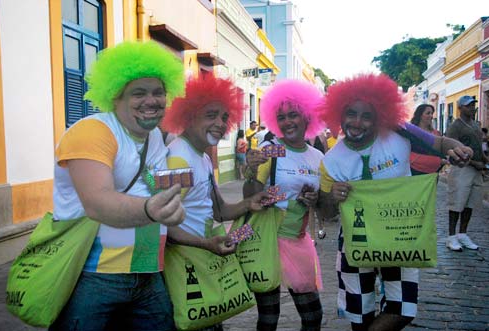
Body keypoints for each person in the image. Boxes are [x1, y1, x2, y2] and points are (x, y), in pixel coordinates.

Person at [318, 73, 473, 331]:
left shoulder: (399, 133)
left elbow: (441, 143)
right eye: (351, 114)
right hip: (356, 242)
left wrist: (458, 149)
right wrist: (331, 197)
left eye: (366, 115)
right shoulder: (331, 161)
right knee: (360, 315)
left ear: (378, 115)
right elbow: (324, 212)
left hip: (401, 235)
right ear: (339, 114)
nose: (357, 122)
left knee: (402, 309)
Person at [50, 41, 186, 331]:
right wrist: (152, 208)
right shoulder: (92, 131)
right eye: (139, 93)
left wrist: (198, 235)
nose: (152, 100)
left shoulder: (155, 140)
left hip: (149, 273)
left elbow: (154, 192)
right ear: (116, 97)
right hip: (92, 276)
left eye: (158, 92)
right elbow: (97, 201)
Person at [161, 74, 269, 330]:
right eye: (211, 115)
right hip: (187, 267)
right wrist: (205, 243)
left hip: (206, 261)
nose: (220, 124)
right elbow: (162, 225)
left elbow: (219, 211)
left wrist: (249, 203)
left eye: (224, 117)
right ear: (188, 116)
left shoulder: (203, 158)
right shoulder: (177, 159)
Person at [243, 79, 325, 331]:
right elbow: (251, 194)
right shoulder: (271, 148)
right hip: (266, 238)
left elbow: (324, 206)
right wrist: (252, 171)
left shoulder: (318, 157)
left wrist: (315, 199)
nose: (287, 121)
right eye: (281, 117)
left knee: (313, 316)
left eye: (293, 115)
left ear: (306, 117)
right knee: (268, 318)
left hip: (297, 240)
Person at [445, 96, 488, 251]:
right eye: (468, 106)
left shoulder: (475, 125)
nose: (472, 108)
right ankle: (451, 237)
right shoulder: (455, 126)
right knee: (457, 202)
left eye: (473, 105)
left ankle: (463, 234)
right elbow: (450, 149)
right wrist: (473, 162)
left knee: (470, 203)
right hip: (461, 169)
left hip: (476, 170)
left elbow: (478, 146)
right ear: (460, 108)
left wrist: (484, 159)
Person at [409, 104, 447, 175]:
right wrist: (438, 161)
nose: (431, 116)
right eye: (428, 113)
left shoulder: (436, 133)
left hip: (434, 172)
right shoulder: (411, 132)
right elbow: (409, 155)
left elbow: (441, 151)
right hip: (416, 171)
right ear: (420, 115)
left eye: (432, 113)